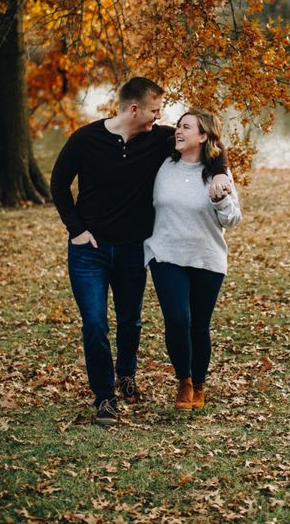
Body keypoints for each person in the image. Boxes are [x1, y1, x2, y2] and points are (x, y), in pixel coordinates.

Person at [50, 78, 231, 427]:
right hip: (90, 251)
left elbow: (211, 140)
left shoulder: (158, 139)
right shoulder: (85, 139)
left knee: (130, 320)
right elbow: (59, 183)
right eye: (155, 110)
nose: (159, 118)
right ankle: (105, 397)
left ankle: (127, 374)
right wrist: (76, 230)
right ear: (134, 110)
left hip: (134, 248)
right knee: (94, 323)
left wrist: (221, 173)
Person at [144, 108, 241, 411]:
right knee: (177, 320)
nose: (179, 131)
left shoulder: (216, 174)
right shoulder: (163, 164)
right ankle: (184, 381)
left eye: (187, 127)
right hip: (166, 253)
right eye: (179, 126)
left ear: (202, 136)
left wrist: (221, 198)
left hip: (206, 257)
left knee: (199, 325)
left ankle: (199, 384)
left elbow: (232, 220)